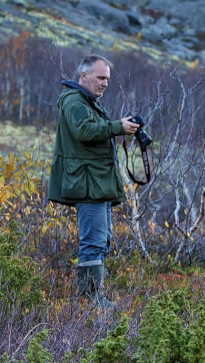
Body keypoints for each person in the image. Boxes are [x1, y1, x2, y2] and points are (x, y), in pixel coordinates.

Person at [47, 55, 140, 307]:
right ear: (83, 76)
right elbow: (84, 131)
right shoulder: (74, 101)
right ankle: (91, 301)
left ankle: (94, 297)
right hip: (87, 185)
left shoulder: (87, 102)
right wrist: (117, 127)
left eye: (107, 79)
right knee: (93, 241)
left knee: (101, 240)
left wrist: (121, 128)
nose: (105, 83)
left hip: (95, 184)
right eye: (101, 77)